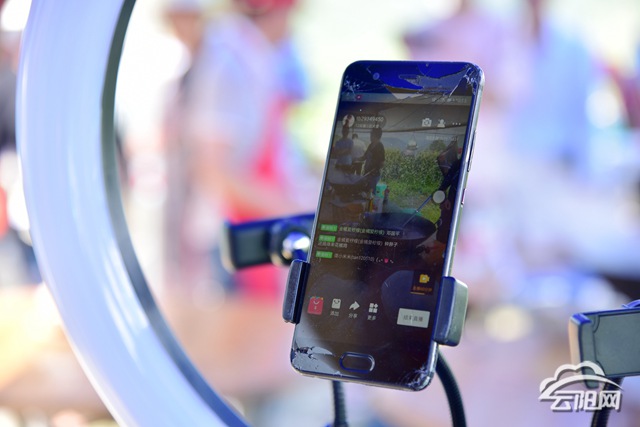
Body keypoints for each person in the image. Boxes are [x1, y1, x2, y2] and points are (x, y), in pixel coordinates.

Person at [362, 126, 385, 193]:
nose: (370, 136)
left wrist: (375, 168)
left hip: (374, 176)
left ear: (375, 135)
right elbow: (365, 157)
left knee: (370, 194)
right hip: (367, 173)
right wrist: (355, 159)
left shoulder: (380, 147)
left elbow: (382, 163)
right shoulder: (370, 145)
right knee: (364, 192)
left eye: (371, 134)